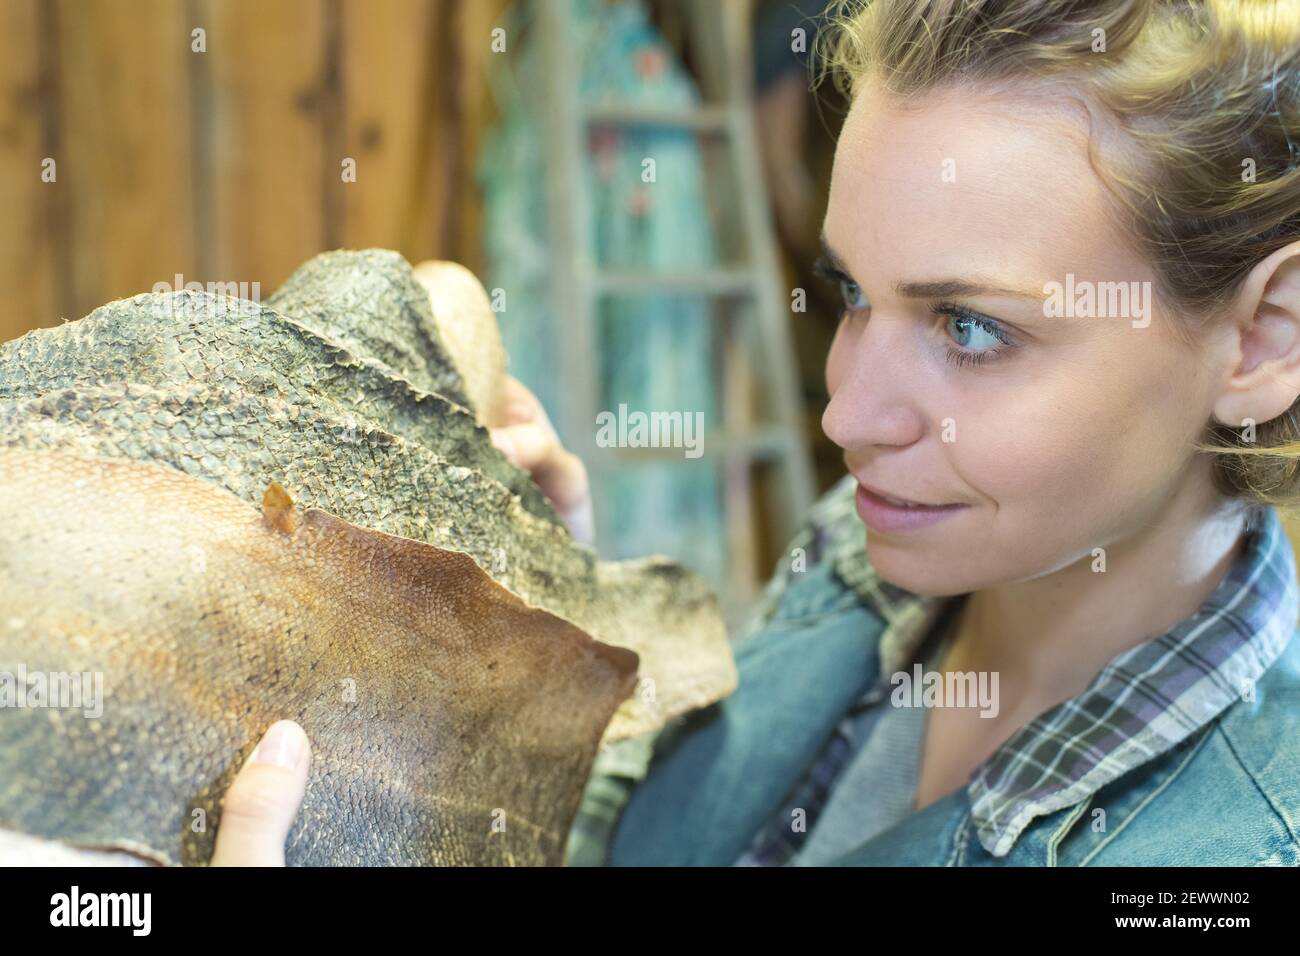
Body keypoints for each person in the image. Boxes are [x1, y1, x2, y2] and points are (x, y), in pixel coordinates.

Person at [188, 0, 1300, 866]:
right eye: (851, 293)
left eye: (969, 327)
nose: (846, 415)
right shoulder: (871, 554)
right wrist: (532, 635)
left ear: (1261, 340)